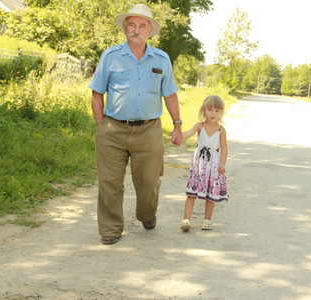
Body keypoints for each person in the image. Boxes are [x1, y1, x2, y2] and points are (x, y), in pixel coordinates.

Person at [88, 4, 183, 245]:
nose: (136, 30)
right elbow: (97, 92)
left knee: (149, 181)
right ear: (124, 28)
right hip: (112, 130)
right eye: (131, 24)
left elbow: (170, 94)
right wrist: (101, 125)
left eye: (142, 26)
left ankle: (147, 214)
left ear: (149, 30)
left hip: (149, 129)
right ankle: (110, 228)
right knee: (109, 181)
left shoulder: (161, 59)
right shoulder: (110, 56)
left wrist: (178, 125)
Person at [180, 95, 229, 231]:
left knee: (210, 194)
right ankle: (186, 219)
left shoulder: (221, 130)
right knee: (192, 193)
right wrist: (178, 135)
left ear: (221, 113)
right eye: (210, 109)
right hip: (199, 165)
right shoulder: (199, 126)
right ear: (203, 111)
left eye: (217, 110)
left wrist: (222, 164)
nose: (213, 113)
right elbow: (188, 133)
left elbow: (224, 148)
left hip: (214, 165)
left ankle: (207, 219)